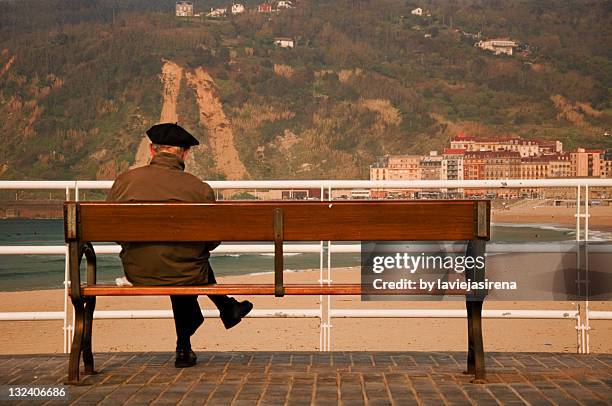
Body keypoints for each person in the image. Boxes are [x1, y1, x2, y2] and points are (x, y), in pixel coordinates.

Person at [106, 122, 253, 368]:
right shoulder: (199, 189)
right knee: (184, 262)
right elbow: (212, 241)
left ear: (152, 150)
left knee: (176, 260)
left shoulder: (124, 182)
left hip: (140, 271)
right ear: (185, 153)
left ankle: (193, 337)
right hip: (187, 271)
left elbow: (113, 231)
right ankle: (217, 314)